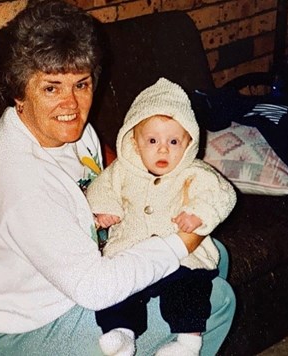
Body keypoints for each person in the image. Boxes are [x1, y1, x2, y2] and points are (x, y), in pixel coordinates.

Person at [0, 1, 236, 355]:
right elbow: (95, 288)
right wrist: (181, 241)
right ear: (19, 92)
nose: (71, 104)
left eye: (81, 84)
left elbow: (109, 180)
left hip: (69, 276)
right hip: (23, 324)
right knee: (217, 299)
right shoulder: (17, 179)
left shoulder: (74, 132)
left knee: (214, 257)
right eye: (51, 88)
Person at [86, 78, 237, 356]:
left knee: (190, 288)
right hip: (131, 252)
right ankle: (121, 333)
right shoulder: (122, 171)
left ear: (189, 143)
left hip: (180, 256)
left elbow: (221, 194)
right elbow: (102, 188)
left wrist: (199, 214)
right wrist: (105, 209)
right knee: (118, 291)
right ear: (134, 142)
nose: (163, 149)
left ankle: (188, 343)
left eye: (174, 141)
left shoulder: (195, 172)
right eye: (152, 140)